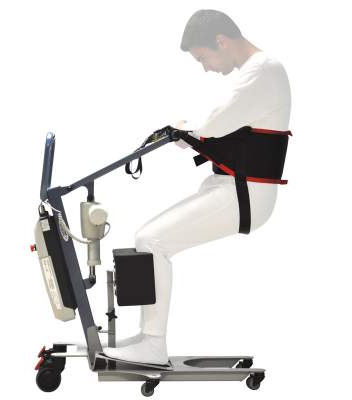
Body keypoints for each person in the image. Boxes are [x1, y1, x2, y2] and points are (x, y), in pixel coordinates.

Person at [102, 9, 291, 365]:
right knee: (149, 240)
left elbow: (215, 124)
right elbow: (222, 124)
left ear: (221, 41)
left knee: (150, 240)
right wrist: (187, 131)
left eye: (203, 58)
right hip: (233, 187)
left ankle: (152, 345)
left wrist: (185, 130)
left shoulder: (262, 70)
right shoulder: (260, 71)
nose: (205, 68)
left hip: (244, 195)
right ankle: (146, 338)